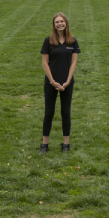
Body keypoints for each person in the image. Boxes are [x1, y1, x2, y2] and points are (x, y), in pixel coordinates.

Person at [39, 12, 81, 154]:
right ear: (54, 25)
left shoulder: (72, 41)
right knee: (49, 113)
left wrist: (68, 81)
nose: (60, 24)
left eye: (62, 21)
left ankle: (65, 145)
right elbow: (45, 63)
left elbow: (73, 63)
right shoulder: (48, 41)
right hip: (51, 82)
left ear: (66, 23)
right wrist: (52, 81)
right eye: (57, 22)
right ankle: (44, 145)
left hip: (67, 83)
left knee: (65, 112)